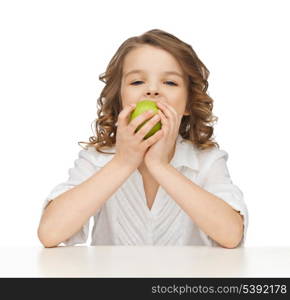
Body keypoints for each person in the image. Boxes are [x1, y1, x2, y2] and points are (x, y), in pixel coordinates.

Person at [37, 29, 248, 248]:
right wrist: (123, 162)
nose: (153, 90)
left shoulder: (206, 160)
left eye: (170, 83)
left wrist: (160, 165)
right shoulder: (97, 159)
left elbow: (231, 235)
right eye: (137, 82)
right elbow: (50, 233)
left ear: (187, 104)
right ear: (119, 99)